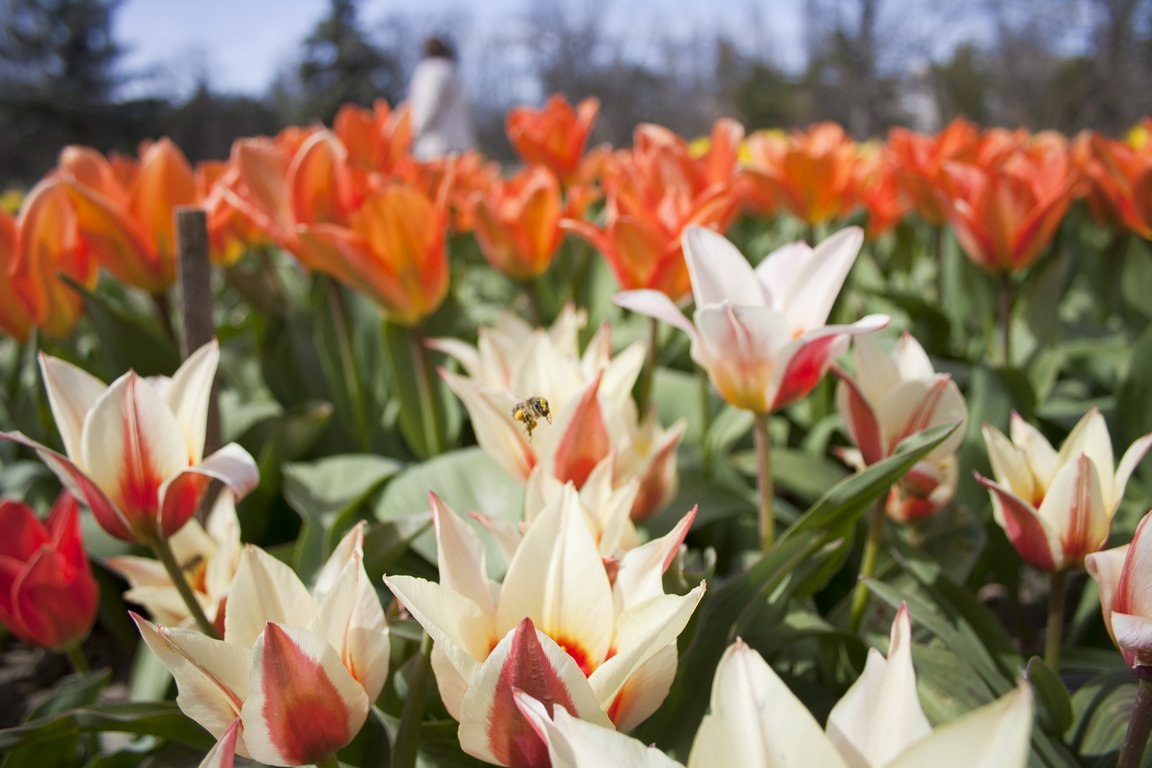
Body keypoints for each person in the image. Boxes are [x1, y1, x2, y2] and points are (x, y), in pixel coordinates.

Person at [409, 37, 475, 159]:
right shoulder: (454, 73)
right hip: (460, 144)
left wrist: (413, 133)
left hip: (435, 146)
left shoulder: (429, 71)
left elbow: (428, 105)